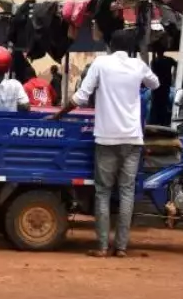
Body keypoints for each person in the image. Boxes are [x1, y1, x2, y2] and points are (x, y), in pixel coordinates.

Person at [54, 29, 159, 257]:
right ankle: (121, 247)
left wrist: (60, 114)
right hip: (132, 138)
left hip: (106, 138)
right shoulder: (138, 65)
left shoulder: (101, 64)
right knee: (127, 192)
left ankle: (102, 246)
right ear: (130, 47)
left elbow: (81, 97)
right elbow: (155, 84)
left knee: (102, 192)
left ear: (110, 45)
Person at [149, 48, 177, 126]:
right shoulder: (168, 59)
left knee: (156, 105)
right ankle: (163, 122)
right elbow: (177, 65)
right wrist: (174, 75)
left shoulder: (154, 61)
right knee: (163, 104)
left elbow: (152, 72)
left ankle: (156, 121)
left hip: (157, 86)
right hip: (165, 86)